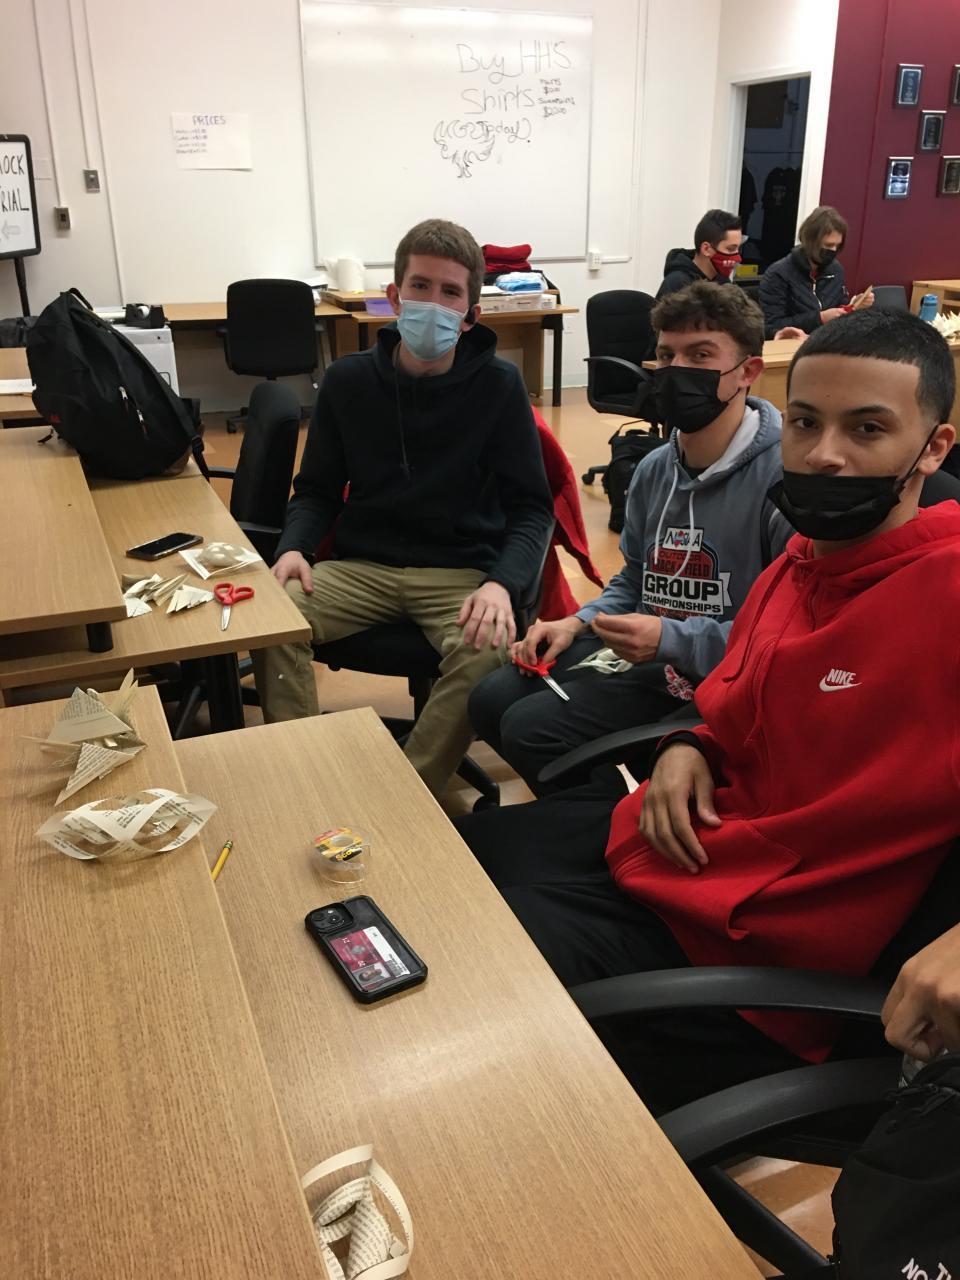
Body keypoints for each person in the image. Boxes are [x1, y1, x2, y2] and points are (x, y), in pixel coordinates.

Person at [456, 308, 960, 1111]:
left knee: (474, 962)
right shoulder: (799, 564)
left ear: (934, 447)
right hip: (696, 854)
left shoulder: (947, 590)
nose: (824, 455)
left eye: (867, 429)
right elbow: (737, 696)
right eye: (806, 423)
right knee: (460, 858)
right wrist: (691, 743)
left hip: (763, 958)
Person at [251, 218, 553, 798]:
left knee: (489, 647)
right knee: (273, 616)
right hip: (364, 567)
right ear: (394, 297)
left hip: (460, 572)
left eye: (450, 292)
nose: (432, 303)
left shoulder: (499, 386)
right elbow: (315, 490)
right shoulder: (347, 381)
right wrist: (293, 548)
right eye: (420, 286)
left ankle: (406, 798)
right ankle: (298, 777)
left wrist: (502, 584)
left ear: (471, 314)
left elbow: (532, 508)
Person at [468, 282, 791, 796]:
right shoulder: (653, 469)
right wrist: (578, 621)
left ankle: (616, 819)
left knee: (532, 729)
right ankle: (601, 808)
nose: (675, 369)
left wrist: (671, 639)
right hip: (653, 659)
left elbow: (785, 637)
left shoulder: (783, 482)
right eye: (666, 354)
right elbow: (637, 578)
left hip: (726, 677)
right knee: (490, 699)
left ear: (748, 371)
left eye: (700, 355)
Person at [758, 204, 874, 339]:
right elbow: (771, 326)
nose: (833, 250)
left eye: (837, 245)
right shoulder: (778, 274)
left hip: (827, 342)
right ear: (810, 241)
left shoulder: (836, 270)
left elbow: (840, 307)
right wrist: (820, 318)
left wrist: (854, 306)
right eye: (828, 245)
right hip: (793, 346)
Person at [656, 209, 743, 298]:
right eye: (730, 249)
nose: (738, 258)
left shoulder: (723, 282)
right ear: (706, 249)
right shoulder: (677, 285)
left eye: (738, 249)